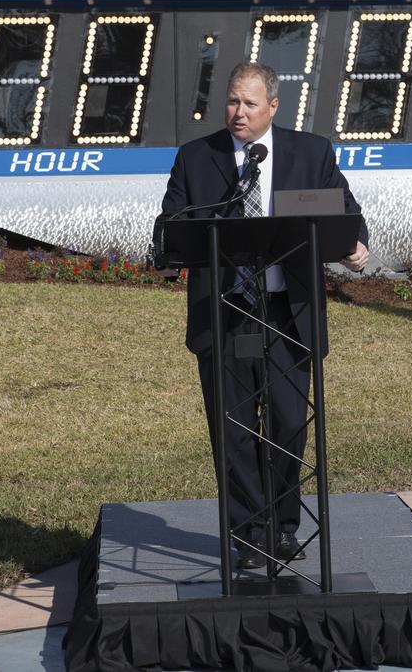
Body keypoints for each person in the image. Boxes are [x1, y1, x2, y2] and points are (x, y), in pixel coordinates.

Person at [154, 62, 368, 571]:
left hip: (287, 313)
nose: (238, 113)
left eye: (250, 104)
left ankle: (282, 526)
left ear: (273, 107)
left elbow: (347, 211)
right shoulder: (196, 158)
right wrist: (168, 249)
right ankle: (249, 533)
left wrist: (354, 245)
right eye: (231, 101)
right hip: (226, 315)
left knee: (289, 425)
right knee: (233, 431)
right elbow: (169, 223)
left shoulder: (310, 153)